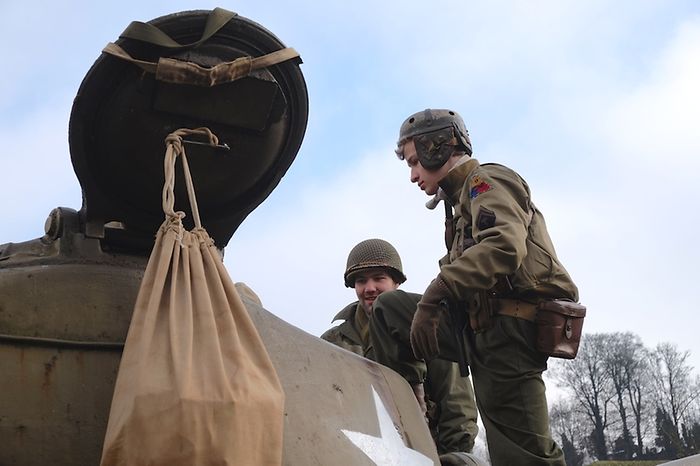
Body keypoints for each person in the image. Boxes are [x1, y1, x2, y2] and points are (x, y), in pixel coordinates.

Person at [384, 108, 580, 466]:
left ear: (436, 149)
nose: (412, 175)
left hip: (509, 334)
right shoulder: (459, 203)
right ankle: (409, 412)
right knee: (389, 310)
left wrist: (434, 295)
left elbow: (504, 245)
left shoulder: (485, 181)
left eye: (414, 162)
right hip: (477, 327)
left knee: (522, 458)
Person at [321, 239, 480, 462]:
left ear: (396, 283)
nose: (369, 288)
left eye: (379, 278)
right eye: (361, 280)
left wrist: (447, 456)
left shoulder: (423, 325)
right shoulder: (333, 341)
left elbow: (456, 403)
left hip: (422, 451)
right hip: (355, 452)